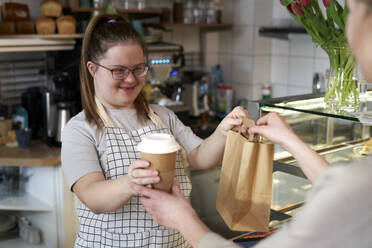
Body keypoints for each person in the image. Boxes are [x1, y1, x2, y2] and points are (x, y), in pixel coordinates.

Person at [131, 0, 372, 247]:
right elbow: (337, 187)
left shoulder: (358, 185)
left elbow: (345, 192)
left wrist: (183, 219)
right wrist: (289, 139)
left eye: (352, 11)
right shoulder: (357, 185)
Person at [61, 13, 250, 247]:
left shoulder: (162, 116)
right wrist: (131, 182)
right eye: (119, 70)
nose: (131, 79)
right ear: (92, 69)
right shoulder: (80, 130)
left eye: (138, 68)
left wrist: (224, 132)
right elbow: (93, 197)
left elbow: (201, 158)